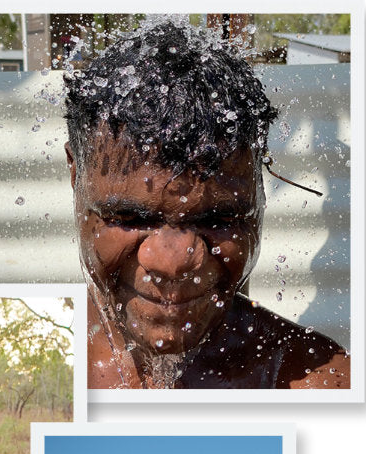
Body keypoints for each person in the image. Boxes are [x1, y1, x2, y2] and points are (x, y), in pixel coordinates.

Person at [63, 19, 350, 389]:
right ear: (76, 175)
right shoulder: (43, 374)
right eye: (131, 217)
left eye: (218, 218)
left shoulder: (316, 385)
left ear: (258, 198)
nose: (172, 262)